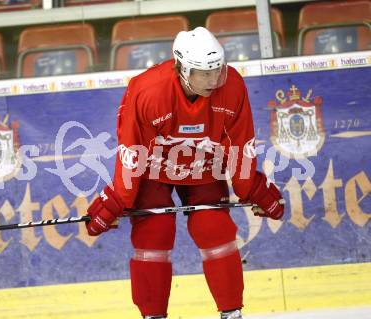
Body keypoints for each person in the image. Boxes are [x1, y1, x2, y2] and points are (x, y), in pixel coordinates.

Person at [85, 27, 284, 319]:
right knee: (154, 233)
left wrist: (251, 187)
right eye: (204, 73)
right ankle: (153, 314)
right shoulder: (148, 91)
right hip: (153, 167)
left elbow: (240, 144)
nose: (214, 80)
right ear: (181, 68)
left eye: (217, 70)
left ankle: (231, 312)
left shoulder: (232, 87)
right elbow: (132, 149)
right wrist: (118, 199)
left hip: (206, 165)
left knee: (214, 228)